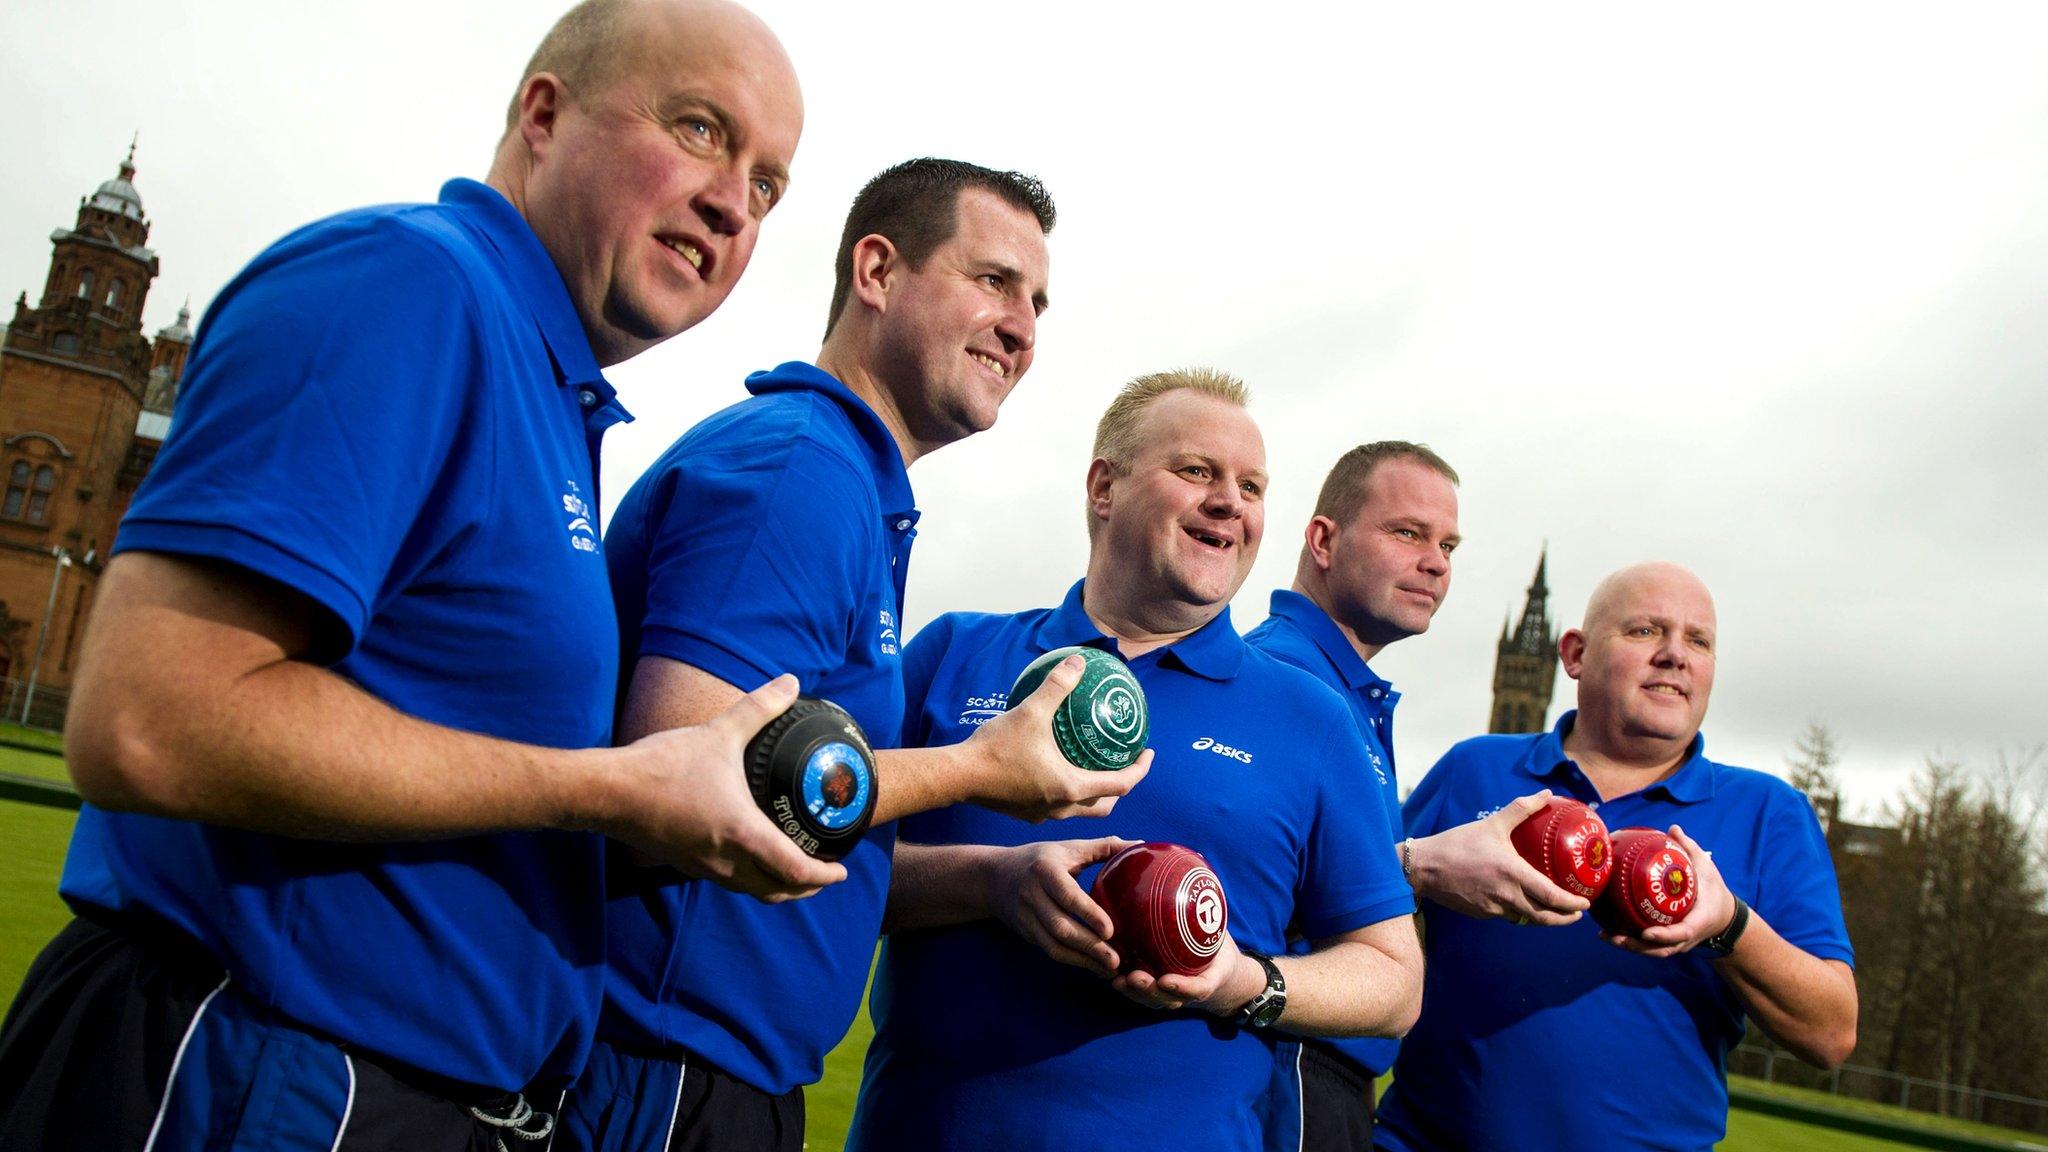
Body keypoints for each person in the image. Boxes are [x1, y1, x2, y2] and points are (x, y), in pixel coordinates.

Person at [0, 3, 824, 1149]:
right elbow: (149, 718)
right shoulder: (409, 287)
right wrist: (610, 789)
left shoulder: (548, 386)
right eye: (697, 129)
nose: (734, 201)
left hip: (400, 1099)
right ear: (544, 113)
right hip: (265, 1079)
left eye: (769, 184)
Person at [558, 158, 1149, 1152]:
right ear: (876, 271)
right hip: (659, 1075)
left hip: (714, 1084)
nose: (1022, 328)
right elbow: (676, 796)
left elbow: (813, 825)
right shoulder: (802, 472)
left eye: (1038, 303)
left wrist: (990, 881)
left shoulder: (852, 488)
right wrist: (974, 768)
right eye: (993, 281)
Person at [847, 370, 1423, 1152]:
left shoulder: (1310, 718)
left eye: (1252, 486)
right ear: (1103, 486)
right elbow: (824, 857)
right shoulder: (955, 651)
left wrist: (1240, 982)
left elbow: (1393, 980)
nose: (1231, 502)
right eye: (1196, 471)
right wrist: (991, 883)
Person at [1375, 562, 1859, 1152]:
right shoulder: (1473, 768)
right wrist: (1418, 866)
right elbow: (1339, 906)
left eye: (1698, 641)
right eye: (1645, 631)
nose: (1675, 654)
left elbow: (1832, 1034)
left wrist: (1729, 925)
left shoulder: (1771, 814)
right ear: (1575, 655)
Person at [1246, 441, 1592, 1148]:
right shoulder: (1287, 682)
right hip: (1292, 1060)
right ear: (1323, 540)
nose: (1436, 562)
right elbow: (1240, 890)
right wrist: (1425, 866)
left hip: (1326, 1070)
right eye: (1408, 533)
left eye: (1449, 545)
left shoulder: (1343, 690)